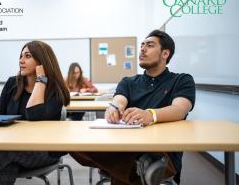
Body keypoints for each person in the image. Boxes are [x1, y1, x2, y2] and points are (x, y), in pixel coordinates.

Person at [70, 30, 196, 185]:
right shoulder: (128, 82)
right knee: (73, 143)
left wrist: (150, 115)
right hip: (127, 147)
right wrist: (114, 108)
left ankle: (141, 165)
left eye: (149, 45)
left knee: (120, 170)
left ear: (165, 53)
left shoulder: (182, 80)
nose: (142, 49)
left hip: (163, 151)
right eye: (142, 45)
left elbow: (180, 109)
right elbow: (119, 100)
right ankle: (143, 166)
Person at [0, 40, 70, 185]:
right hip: (12, 148)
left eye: (27, 56)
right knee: (6, 164)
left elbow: (34, 115)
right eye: (21, 56)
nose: (21, 60)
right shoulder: (12, 84)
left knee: (7, 151)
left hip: (43, 151)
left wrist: (41, 80)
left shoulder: (55, 90)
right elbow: (0, 117)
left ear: (42, 61)